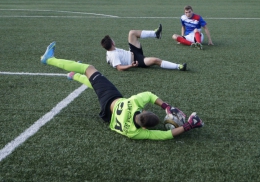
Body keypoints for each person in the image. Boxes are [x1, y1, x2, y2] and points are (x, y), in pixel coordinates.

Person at [40, 41, 204, 140]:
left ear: (143, 111)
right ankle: (72, 75)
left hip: (113, 99)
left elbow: (149, 95)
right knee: (98, 87)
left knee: (89, 69)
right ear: (145, 128)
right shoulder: (134, 133)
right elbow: (165, 136)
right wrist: (188, 126)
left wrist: (166, 107)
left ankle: (50, 60)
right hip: (107, 116)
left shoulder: (133, 103)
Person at [101, 24, 187, 71]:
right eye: (112, 40)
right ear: (112, 43)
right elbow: (119, 68)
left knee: (132, 33)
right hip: (136, 60)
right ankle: (178, 66)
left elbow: (109, 59)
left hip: (132, 51)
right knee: (155, 60)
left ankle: (155, 34)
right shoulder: (114, 55)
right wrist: (131, 65)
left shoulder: (110, 51)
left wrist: (109, 61)